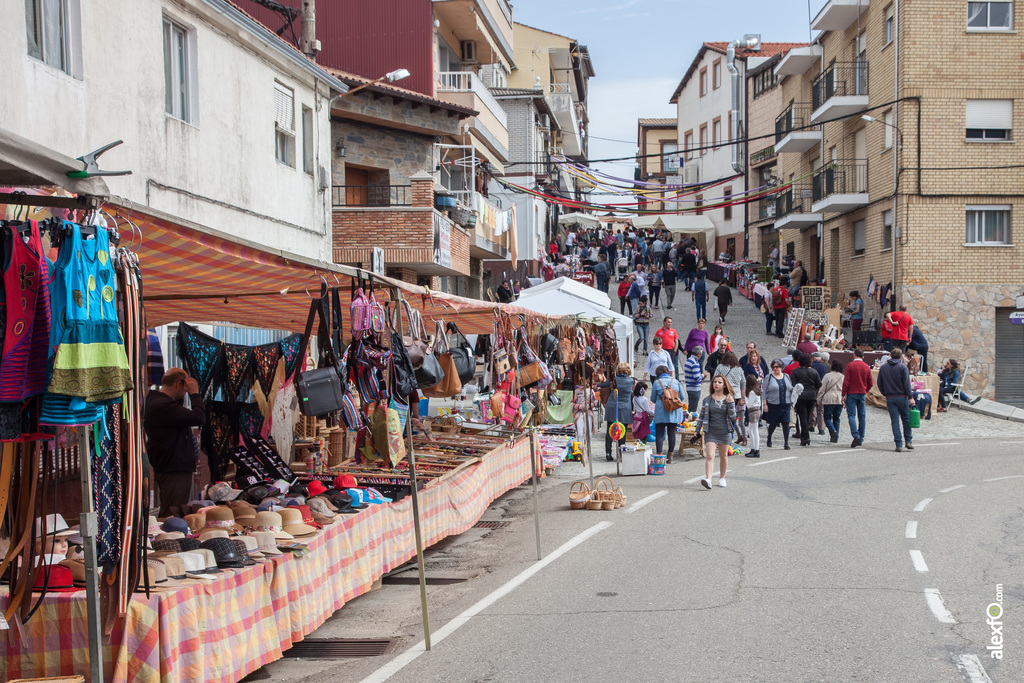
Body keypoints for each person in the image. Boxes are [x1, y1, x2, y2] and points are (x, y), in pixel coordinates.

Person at [144, 368, 207, 517]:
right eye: (185, 388)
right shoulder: (163, 405)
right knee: (173, 513)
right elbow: (199, 418)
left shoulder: (158, 401)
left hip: (171, 464)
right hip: (173, 468)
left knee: (173, 509)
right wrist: (195, 394)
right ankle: (169, 539)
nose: (186, 392)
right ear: (179, 384)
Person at [694, 375, 737, 489]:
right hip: (711, 431)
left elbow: (733, 417)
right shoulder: (707, 400)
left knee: (723, 456)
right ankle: (708, 479)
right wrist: (697, 430)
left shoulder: (728, 398)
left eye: (719, 382)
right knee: (710, 456)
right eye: (715, 382)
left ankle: (722, 477)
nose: (716, 384)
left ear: (724, 385)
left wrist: (731, 404)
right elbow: (701, 416)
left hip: (725, 431)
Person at [878, 348, 915, 452]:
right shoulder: (903, 367)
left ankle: (898, 444)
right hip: (902, 396)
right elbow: (907, 384)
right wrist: (910, 397)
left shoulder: (884, 367)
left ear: (890, 355)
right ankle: (908, 441)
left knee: (895, 421)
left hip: (890, 397)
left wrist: (885, 393)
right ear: (900, 356)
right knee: (906, 419)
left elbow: (879, 383)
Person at [597, 363, 635, 461]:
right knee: (622, 431)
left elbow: (601, 385)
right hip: (625, 408)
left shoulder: (613, 380)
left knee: (610, 430)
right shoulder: (632, 381)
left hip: (612, 406)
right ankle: (621, 453)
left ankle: (608, 453)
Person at [651, 365, 684, 464]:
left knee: (659, 434)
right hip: (673, 410)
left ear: (658, 374)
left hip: (661, 410)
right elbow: (682, 397)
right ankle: (670, 456)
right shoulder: (676, 381)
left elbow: (652, 399)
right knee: (672, 433)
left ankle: (659, 455)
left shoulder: (657, 383)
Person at [842, 348, 874, 448]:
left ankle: (855, 435)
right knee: (862, 416)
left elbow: (846, 382)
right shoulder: (866, 367)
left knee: (851, 415)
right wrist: (865, 390)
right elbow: (870, 383)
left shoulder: (850, 365)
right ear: (863, 356)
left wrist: (843, 394)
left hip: (852, 392)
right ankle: (861, 437)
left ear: (854, 355)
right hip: (862, 393)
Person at [713, 351, 747, 445]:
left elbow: (714, 379)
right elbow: (743, 384)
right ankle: (731, 438)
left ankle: (723, 439)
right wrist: (742, 397)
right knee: (732, 417)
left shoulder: (720, 367)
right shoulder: (739, 369)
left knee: (723, 417)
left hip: (723, 394)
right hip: (736, 395)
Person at [790, 353, 822, 447]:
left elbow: (793, 384)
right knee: (807, 416)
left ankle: (805, 437)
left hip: (800, 396)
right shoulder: (814, 371)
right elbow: (818, 384)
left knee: (802, 417)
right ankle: (805, 436)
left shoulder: (795, 372)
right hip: (811, 396)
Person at [762, 360, 793, 450]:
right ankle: (769, 436)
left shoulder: (786, 376)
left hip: (786, 404)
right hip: (773, 404)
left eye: (777, 367)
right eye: (774, 367)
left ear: (781, 367)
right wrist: (765, 404)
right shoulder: (769, 377)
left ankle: (786, 443)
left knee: (786, 423)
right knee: (773, 424)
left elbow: (790, 388)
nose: (775, 369)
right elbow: (764, 392)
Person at [819, 360, 845, 443]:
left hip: (829, 399)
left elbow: (822, 389)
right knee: (837, 419)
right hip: (839, 399)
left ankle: (832, 430)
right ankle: (835, 437)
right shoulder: (842, 377)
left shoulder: (827, 376)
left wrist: (819, 399)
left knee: (827, 417)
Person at [572, 383, 597, 465]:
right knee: (580, 432)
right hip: (579, 413)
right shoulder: (576, 391)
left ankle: (588, 449)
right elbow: (571, 403)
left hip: (588, 413)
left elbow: (595, 402)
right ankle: (580, 451)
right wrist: (578, 406)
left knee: (588, 432)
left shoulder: (591, 391)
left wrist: (589, 405)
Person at [745, 374, 763, 458]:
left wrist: (745, 398)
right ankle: (754, 448)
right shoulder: (756, 390)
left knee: (753, 431)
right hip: (756, 411)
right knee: (751, 430)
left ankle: (756, 449)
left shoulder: (752, 392)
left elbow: (749, 404)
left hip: (753, 411)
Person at [684, 346, 706, 410]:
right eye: (701, 354)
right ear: (698, 354)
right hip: (695, 388)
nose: (701, 356)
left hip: (689, 388)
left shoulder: (688, 360)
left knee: (691, 406)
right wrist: (703, 375)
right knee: (693, 409)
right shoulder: (695, 363)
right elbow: (696, 377)